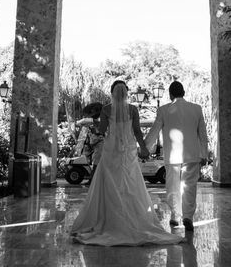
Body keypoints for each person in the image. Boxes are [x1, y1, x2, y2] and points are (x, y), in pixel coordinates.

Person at [71, 80, 184, 246]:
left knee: (110, 183)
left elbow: (101, 132)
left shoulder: (106, 109)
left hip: (111, 151)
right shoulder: (133, 109)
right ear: (126, 93)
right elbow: (137, 131)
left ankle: (109, 220)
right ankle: (133, 218)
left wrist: (95, 125)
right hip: (128, 150)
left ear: (112, 92)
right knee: (130, 183)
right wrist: (144, 148)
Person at [145, 81, 208, 231]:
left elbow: (154, 130)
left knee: (172, 186)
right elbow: (203, 134)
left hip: (172, 156)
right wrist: (204, 154)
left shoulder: (164, 110)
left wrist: (145, 148)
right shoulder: (196, 109)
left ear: (170, 94)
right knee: (189, 186)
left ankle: (174, 216)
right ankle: (188, 217)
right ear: (184, 92)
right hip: (192, 155)